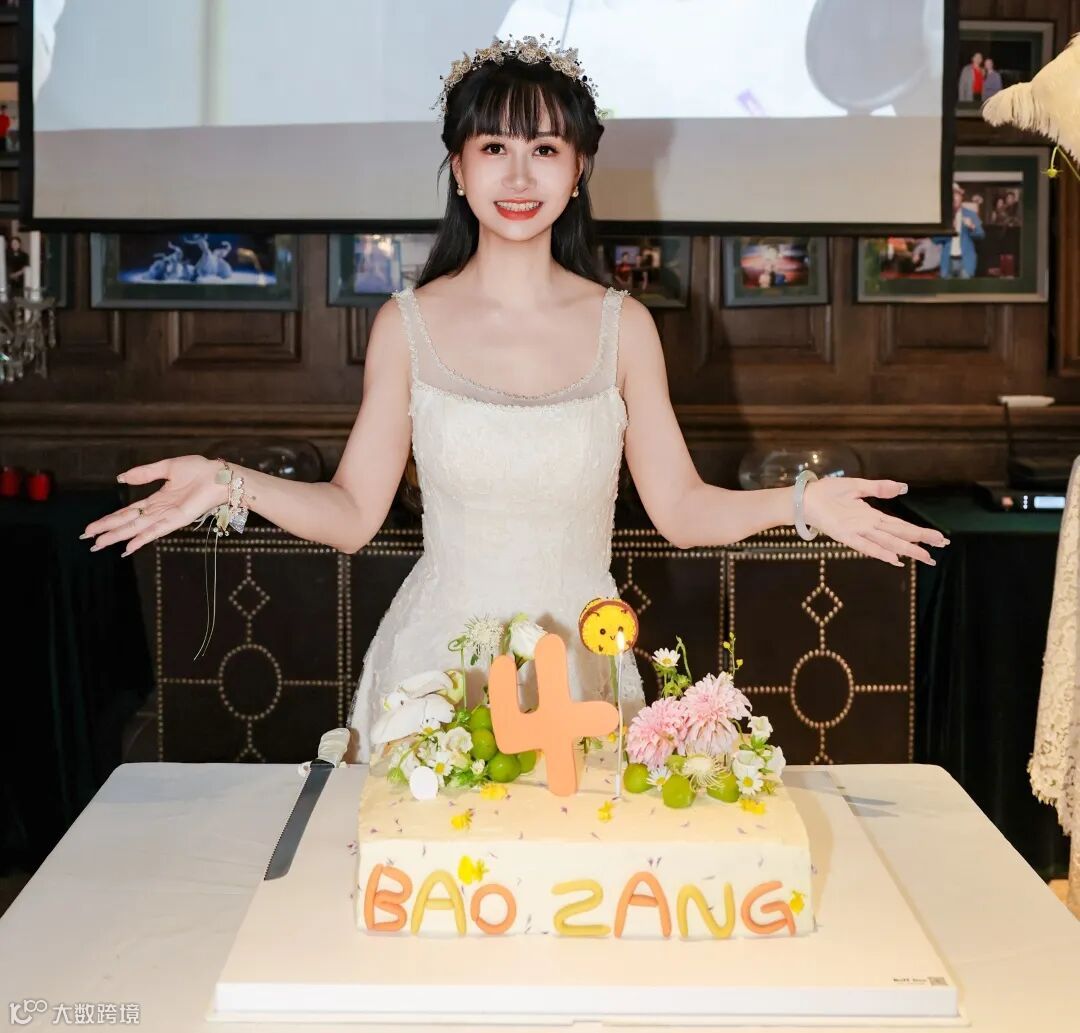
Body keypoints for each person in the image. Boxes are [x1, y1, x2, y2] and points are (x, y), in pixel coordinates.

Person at [79, 36, 948, 763]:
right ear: (459, 169)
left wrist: (802, 502)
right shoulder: (408, 325)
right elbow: (351, 514)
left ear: (579, 169)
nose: (520, 173)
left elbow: (682, 509)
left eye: (546, 149)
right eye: (494, 147)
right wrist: (228, 481)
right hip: (436, 675)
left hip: (583, 667)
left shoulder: (624, 328)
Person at [932, 183, 984, 279]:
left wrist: (972, 227)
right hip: (947, 262)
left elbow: (981, 235)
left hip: (965, 262)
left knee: (965, 289)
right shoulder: (943, 218)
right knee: (946, 289)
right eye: (951, 195)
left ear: (961, 197)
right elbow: (935, 239)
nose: (954, 198)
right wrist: (948, 230)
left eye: (956, 194)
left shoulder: (971, 214)